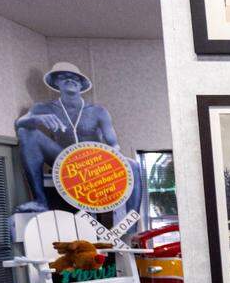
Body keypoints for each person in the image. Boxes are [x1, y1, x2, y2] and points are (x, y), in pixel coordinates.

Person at [15, 63, 141, 215]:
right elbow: (19, 123)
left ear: (81, 85)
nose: (71, 80)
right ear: (56, 82)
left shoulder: (98, 111)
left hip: (94, 164)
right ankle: (40, 201)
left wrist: (106, 164)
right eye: (64, 76)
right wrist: (37, 119)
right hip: (63, 159)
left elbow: (114, 145)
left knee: (133, 165)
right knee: (26, 132)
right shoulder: (43, 108)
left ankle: (132, 225)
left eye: (75, 78)